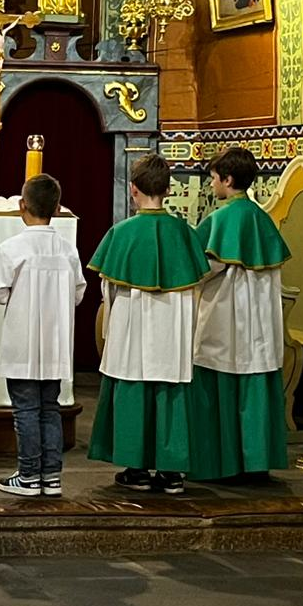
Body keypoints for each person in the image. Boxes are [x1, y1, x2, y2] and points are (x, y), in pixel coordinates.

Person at [89, 154, 209, 496]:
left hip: (134, 324)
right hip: (173, 326)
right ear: (169, 190)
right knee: (170, 386)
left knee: (133, 382)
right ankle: (172, 472)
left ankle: (137, 469)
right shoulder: (184, 233)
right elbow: (196, 283)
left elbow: (108, 288)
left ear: (133, 189)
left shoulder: (121, 233)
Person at [190, 148, 291, 482]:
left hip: (227, 319)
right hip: (260, 322)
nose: (211, 184)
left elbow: (203, 268)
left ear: (228, 179)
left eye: (214, 178)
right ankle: (256, 464)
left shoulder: (221, 219)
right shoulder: (262, 218)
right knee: (255, 382)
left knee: (220, 381)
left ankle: (221, 464)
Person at [0, 174, 87, 499]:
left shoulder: (11, 248)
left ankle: (29, 475)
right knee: (49, 408)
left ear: (22, 205)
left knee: (26, 410)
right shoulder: (67, 249)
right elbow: (78, 294)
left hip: (23, 341)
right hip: (55, 343)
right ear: (57, 208)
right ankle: (51, 476)